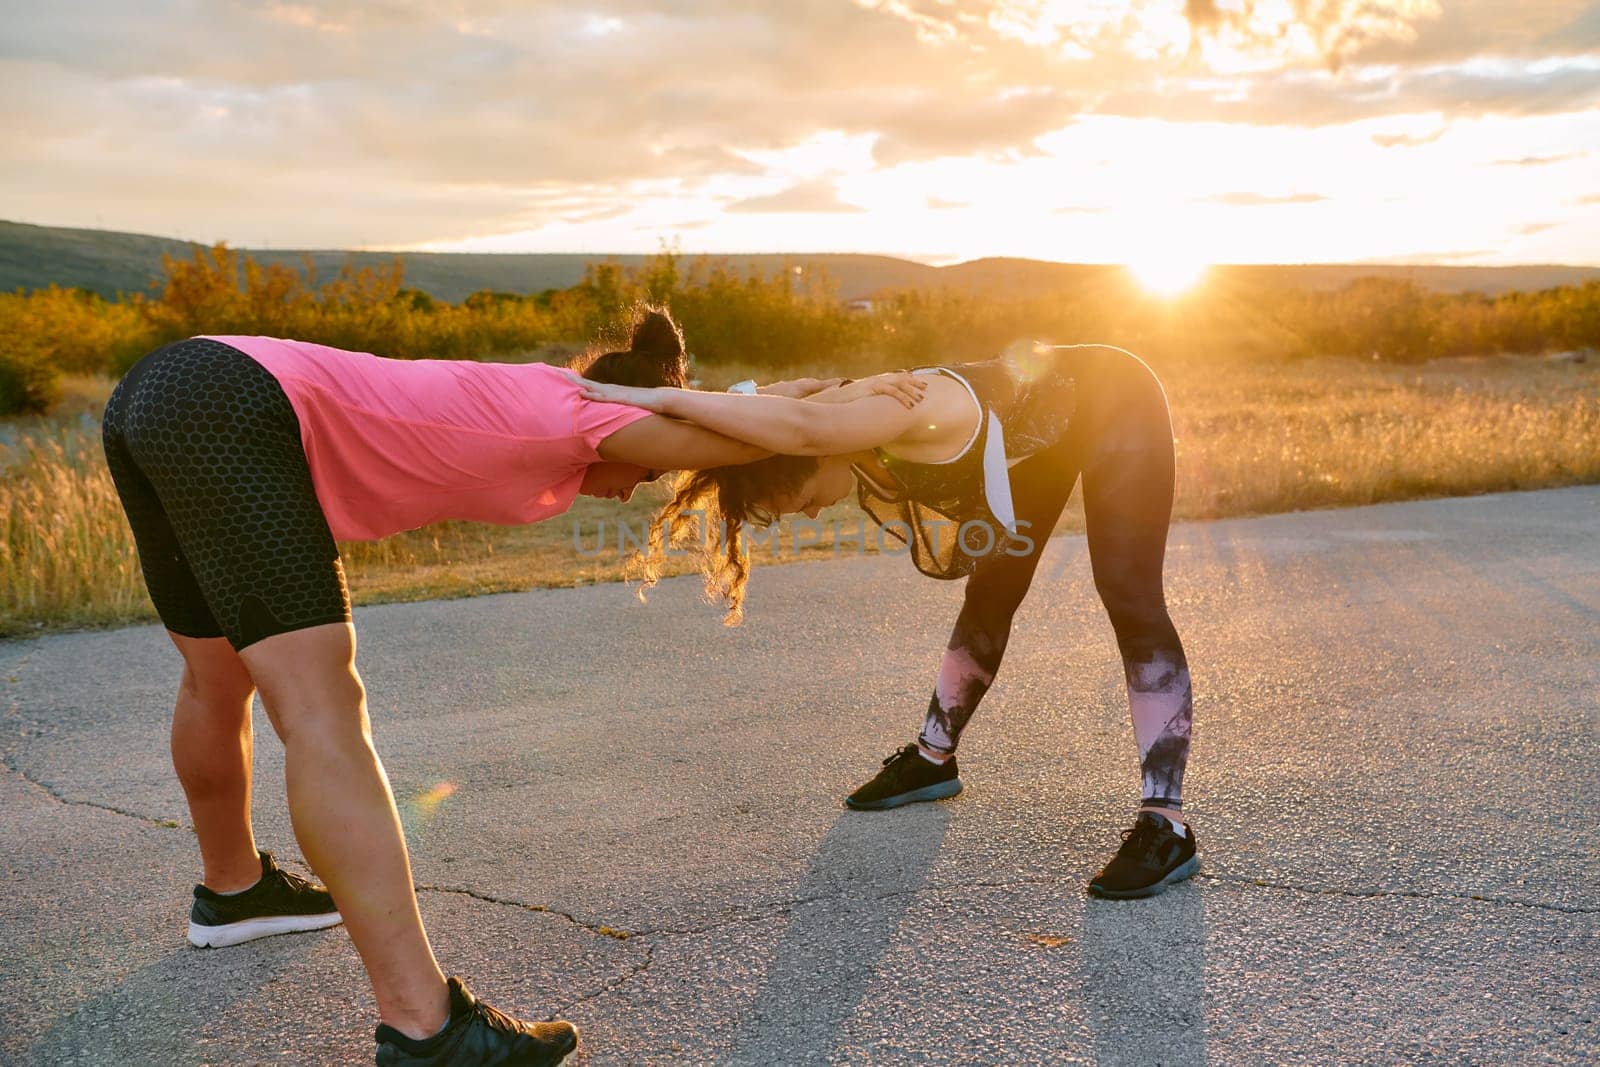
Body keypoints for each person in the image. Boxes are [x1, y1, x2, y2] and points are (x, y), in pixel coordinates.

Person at [100, 308, 921, 1066]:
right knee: (323, 705)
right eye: (648, 473)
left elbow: (744, 409)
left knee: (217, 676)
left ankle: (235, 888)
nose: (637, 488)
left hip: (165, 387)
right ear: (647, 427)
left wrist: (817, 389)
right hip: (232, 404)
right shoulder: (589, 416)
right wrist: (867, 403)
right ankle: (426, 1028)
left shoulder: (556, 392)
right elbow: (755, 436)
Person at [574, 341, 1198, 900]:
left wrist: (649, 395)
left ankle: (1165, 824)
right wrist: (660, 410)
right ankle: (933, 759)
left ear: (806, 457)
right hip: (1039, 430)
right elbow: (765, 404)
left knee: (1127, 591)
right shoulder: (842, 417)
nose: (812, 517)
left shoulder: (887, 415)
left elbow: (800, 423)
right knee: (993, 589)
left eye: (794, 503)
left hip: (1114, 399)